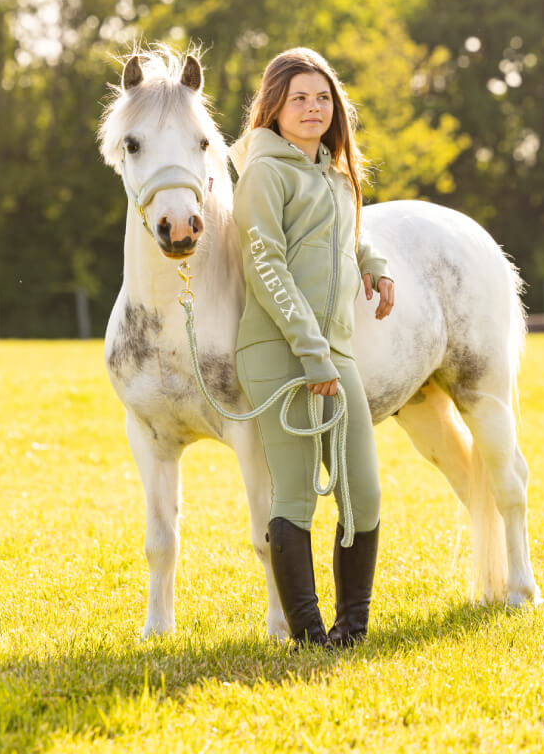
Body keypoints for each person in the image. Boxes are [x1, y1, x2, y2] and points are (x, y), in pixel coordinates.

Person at [229, 48, 395, 649]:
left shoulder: (333, 172)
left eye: (322, 97)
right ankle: (309, 635)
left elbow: (348, 231)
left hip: (335, 351)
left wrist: (374, 264)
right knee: (295, 494)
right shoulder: (264, 172)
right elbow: (265, 262)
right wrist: (309, 352)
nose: (312, 107)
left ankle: (352, 630)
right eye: (299, 97)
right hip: (278, 351)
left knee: (363, 493)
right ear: (274, 106)